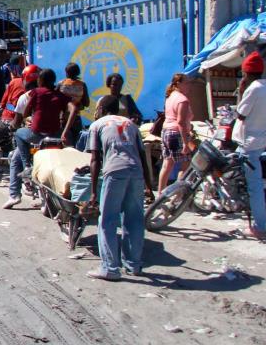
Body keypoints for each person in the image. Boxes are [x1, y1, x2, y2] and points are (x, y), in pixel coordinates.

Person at [86, 95, 154, 280]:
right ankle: (133, 265)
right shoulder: (131, 125)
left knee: (107, 220)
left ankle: (109, 268)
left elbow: (95, 159)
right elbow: (142, 157)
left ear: (101, 108)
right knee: (134, 219)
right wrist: (149, 186)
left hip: (115, 172)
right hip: (136, 172)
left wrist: (93, 192)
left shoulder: (97, 125)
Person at [232, 51, 266, 239]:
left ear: (248, 74)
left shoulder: (252, 89)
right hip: (261, 140)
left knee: (254, 186)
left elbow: (241, 115)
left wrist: (242, 91)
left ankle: (260, 227)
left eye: (243, 74)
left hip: (249, 142)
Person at [14, 68, 77, 172]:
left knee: (18, 133)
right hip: (56, 135)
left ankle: (27, 166)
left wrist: (29, 118)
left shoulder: (36, 92)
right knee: (70, 139)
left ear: (41, 80)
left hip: (36, 135)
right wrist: (65, 132)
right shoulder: (60, 95)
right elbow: (74, 109)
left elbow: (25, 113)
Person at [4, 65, 41, 207]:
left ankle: (14, 195)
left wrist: (12, 126)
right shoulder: (50, 93)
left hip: (32, 136)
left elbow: (16, 120)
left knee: (15, 160)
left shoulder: (26, 97)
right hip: (52, 135)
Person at [157, 73, 194, 193]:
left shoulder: (170, 96)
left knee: (167, 165)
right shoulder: (182, 100)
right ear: (178, 83)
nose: (189, 86)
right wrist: (185, 142)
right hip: (177, 134)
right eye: (186, 83)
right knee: (186, 165)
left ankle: (160, 194)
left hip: (166, 132)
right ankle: (178, 195)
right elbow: (181, 122)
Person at [58, 63, 90, 146]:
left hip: (62, 119)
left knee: (63, 144)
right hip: (76, 119)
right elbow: (87, 103)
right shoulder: (82, 85)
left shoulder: (61, 84)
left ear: (66, 72)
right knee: (76, 144)